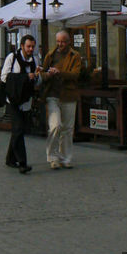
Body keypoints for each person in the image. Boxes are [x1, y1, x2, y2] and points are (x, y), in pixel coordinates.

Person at [41, 29, 82, 169]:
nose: (60, 44)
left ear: (68, 42)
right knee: (55, 125)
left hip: (69, 95)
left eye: (63, 42)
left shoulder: (75, 56)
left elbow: (75, 75)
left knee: (68, 129)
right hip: (52, 95)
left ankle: (65, 158)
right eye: (58, 41)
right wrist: (48, 74)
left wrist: (60, 73)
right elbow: (43, 72)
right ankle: (52, 157)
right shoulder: (51, 55)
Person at [1, 34, 40, 174]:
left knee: (19, 130)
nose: (31, 49)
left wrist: (37, 77)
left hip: (26, 100)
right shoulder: (12, 58)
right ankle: (22, 163)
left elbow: (37, 80)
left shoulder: (35, 60)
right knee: (18, 129)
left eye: (33, 46)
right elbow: (4, 77)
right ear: (22, 46)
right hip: (13, 100)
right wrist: (24, 78)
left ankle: (10, 158)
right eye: (28, 46)